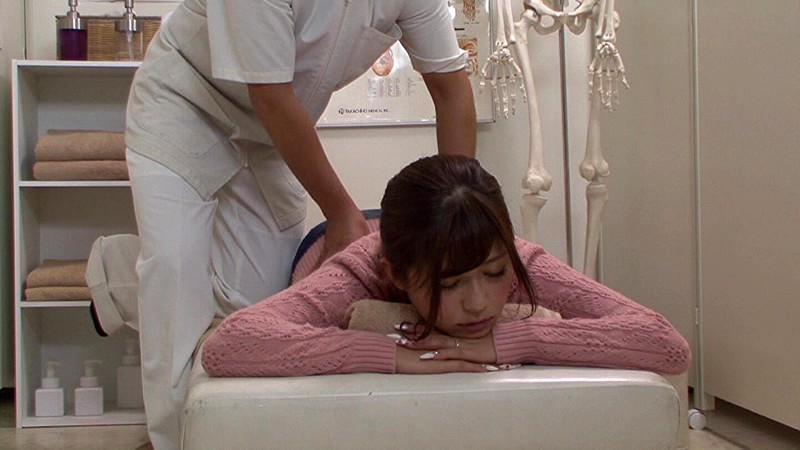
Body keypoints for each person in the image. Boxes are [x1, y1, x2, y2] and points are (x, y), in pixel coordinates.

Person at [124, 1, 477, 448]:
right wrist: (342, 215)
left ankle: (240, 435)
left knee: (262, 307)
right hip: (186, 103)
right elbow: (269, 96)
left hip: (273, 133)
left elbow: (451, 88)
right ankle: (174, 441)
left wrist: (464, 215)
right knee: (174, 277)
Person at [201, 155, 691, 377]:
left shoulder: (516, 257)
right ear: (396, 277)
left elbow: (665, 344)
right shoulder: (360, 271)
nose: (478, 303)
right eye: (450, 284)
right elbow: (229, 346)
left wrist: (516, 339)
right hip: (334, 243)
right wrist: (387, 354)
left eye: (494, 275)